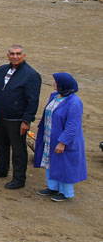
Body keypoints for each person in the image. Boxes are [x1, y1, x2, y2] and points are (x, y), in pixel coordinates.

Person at [0, 45, 42, 190]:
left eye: (18, 54)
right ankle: (1, 169)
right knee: (1, 145)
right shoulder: (3, 69)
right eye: (12, 54)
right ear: (8, 56)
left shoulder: (31, 75)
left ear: (24, 55)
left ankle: (19, 178)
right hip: (1, 115)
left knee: (18, 149)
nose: (15, 56)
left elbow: (32, 100)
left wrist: (27, 120)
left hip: (17, 119)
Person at [33, 73, 86, 202]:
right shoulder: (55, 96)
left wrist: (63, 142)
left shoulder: (74, 102)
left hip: (64, 140)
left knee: (64, 165)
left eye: (56, 82)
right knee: (51, 162)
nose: (54, 83)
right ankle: (53, 187)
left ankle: (65, 192)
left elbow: (72, 126)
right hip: (50, 136)